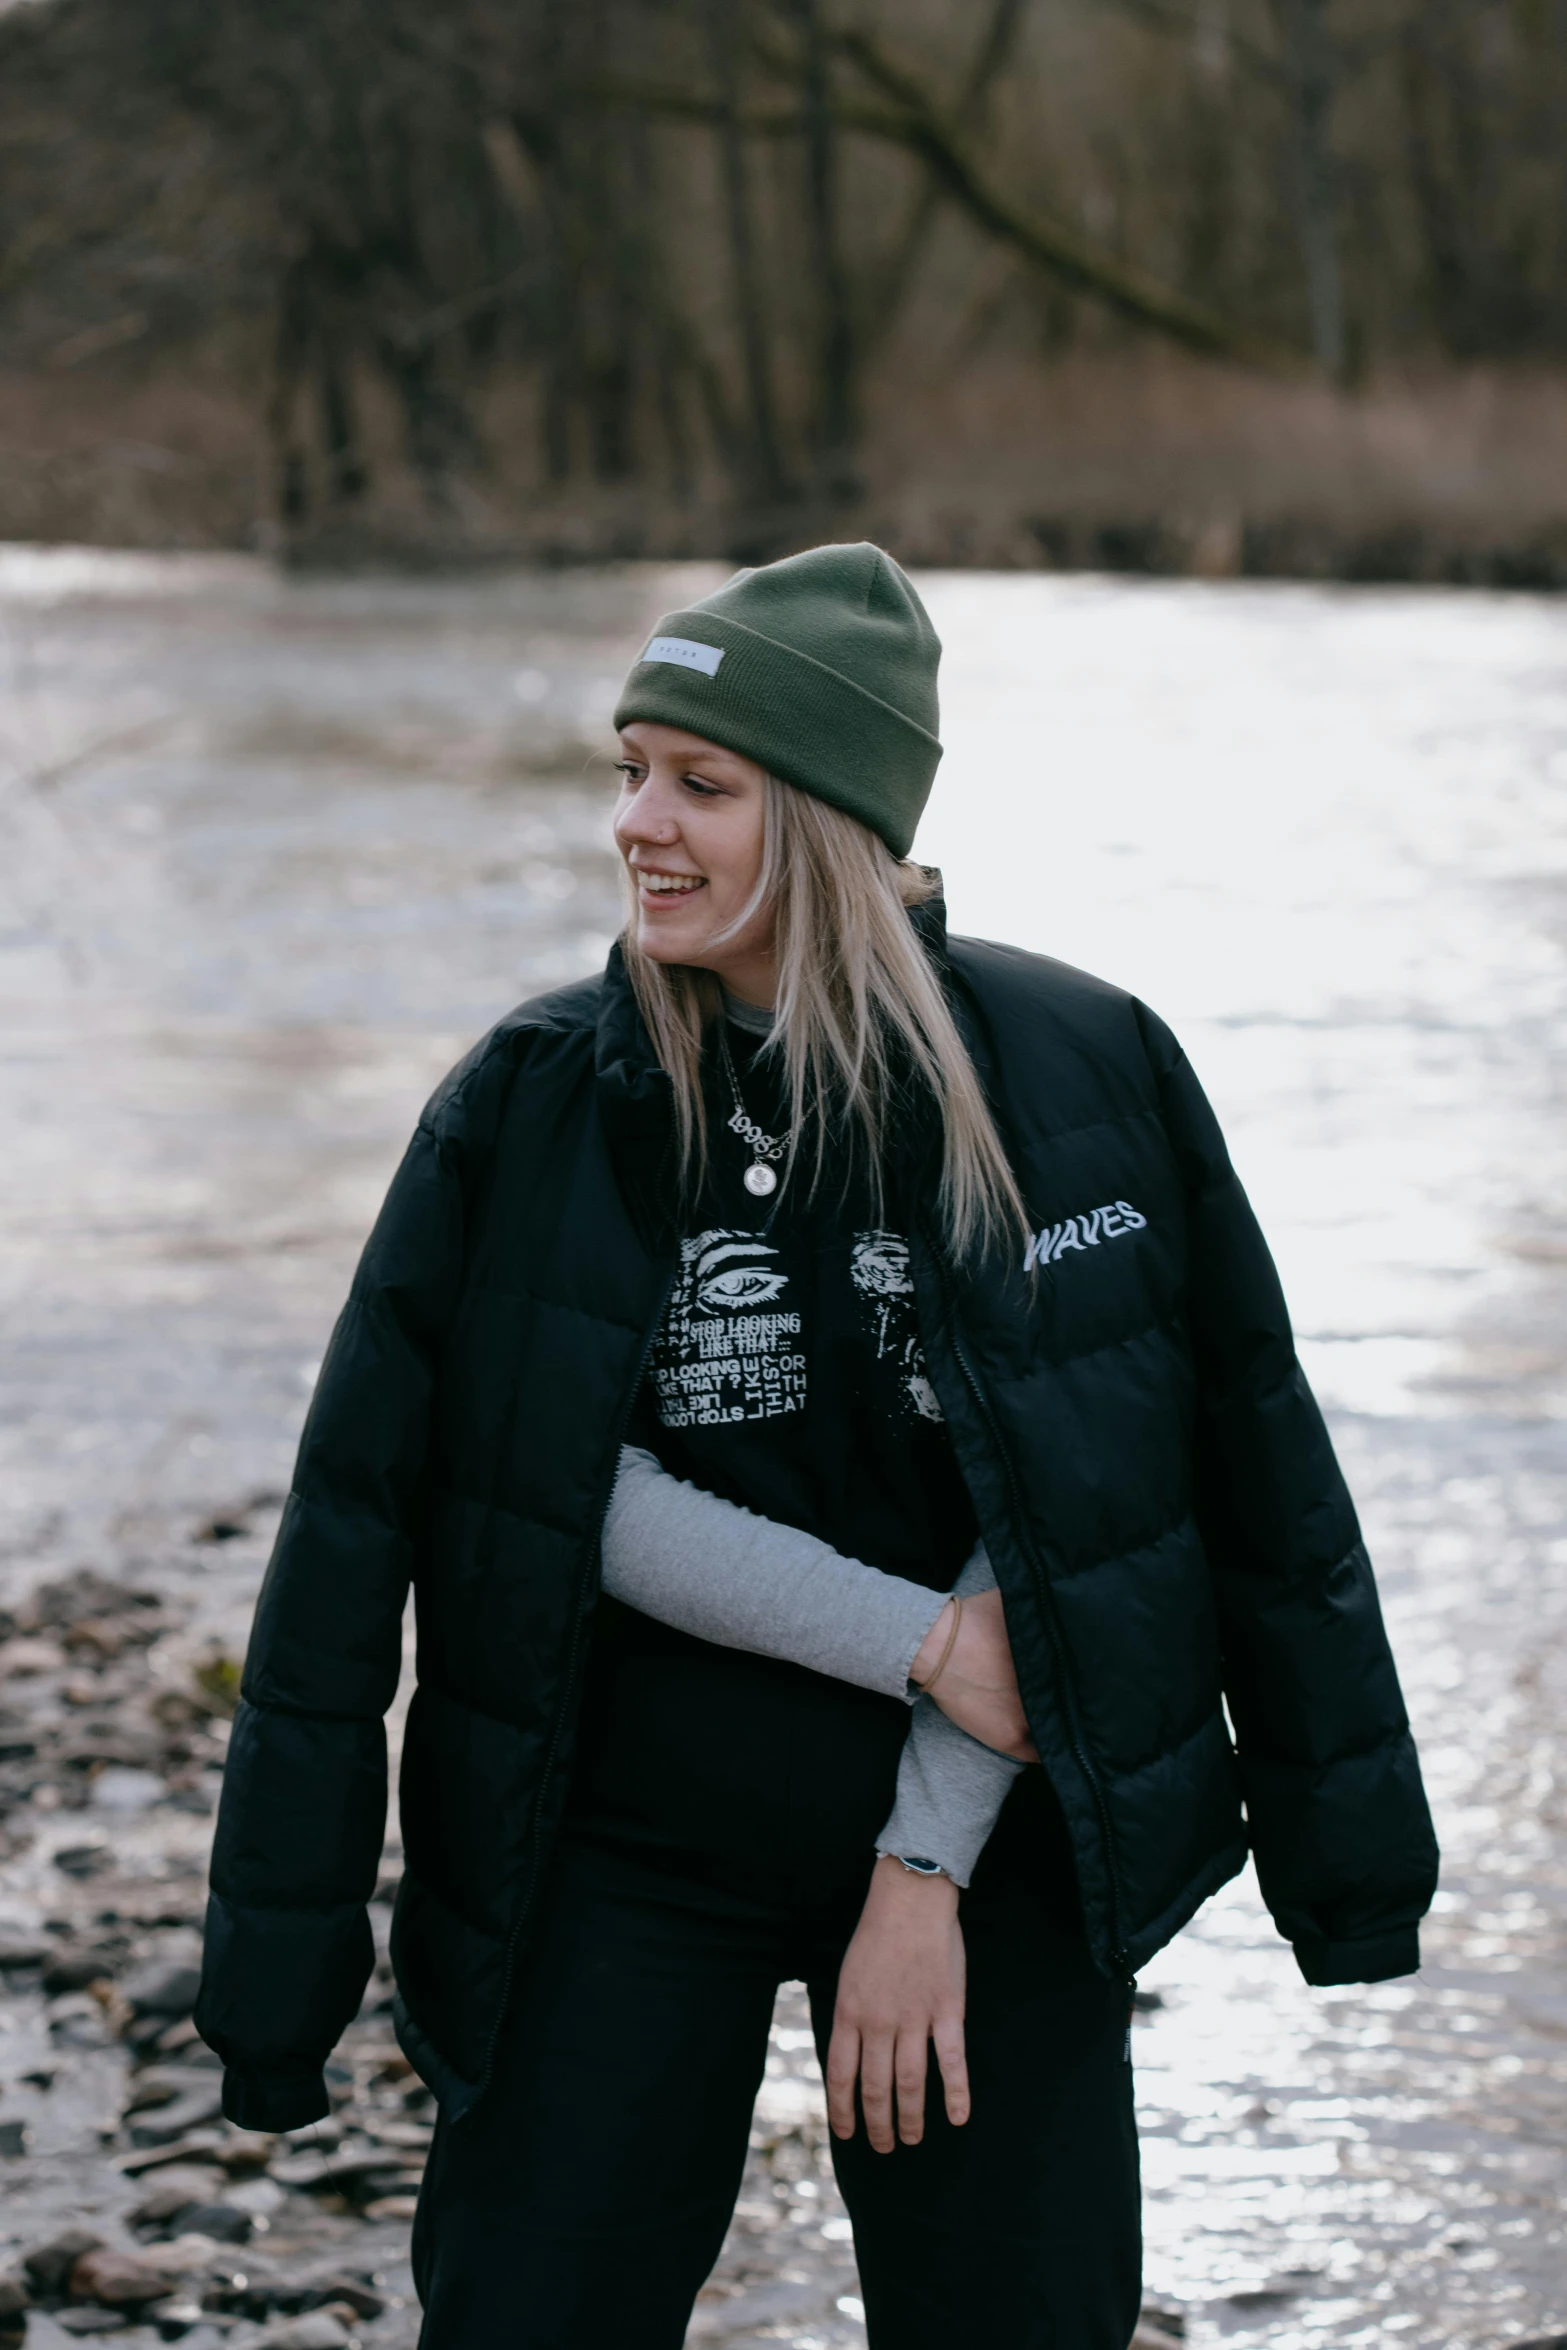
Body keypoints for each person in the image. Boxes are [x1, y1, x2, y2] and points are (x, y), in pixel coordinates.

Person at [194, 544, 1439, 2350]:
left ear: (840, 818)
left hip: (986, 1848)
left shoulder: (1074, 1070)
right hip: (620, 1841)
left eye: (702, 783)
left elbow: (1179, 1472)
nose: (639, 824)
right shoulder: (539, 1100)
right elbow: (460, 1514)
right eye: (628, 771)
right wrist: (274, 1982)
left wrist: (932, 1866)